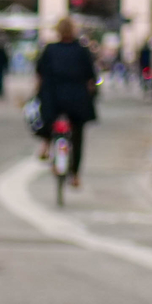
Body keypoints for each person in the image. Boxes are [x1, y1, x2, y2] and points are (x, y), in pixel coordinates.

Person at [34, 16, 99, 188]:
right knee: (77, 136)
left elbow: (39, 73)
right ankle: (75, 175)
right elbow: (91, 78)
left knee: (47, 118)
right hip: (76, 99)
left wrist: (38, 91)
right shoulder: (81, 50)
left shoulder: (50, 49)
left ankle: (46, 144)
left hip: (53, 97)